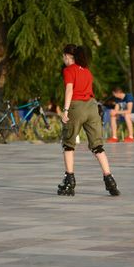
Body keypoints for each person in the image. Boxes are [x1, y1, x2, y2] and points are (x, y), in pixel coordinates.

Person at [57, 44, 120, 196]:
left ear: (67, 56)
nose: (63, 59)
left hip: (76, 107)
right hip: (92, 107)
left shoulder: (69, 70)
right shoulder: (86, 70)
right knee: (97, 146)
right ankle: (110, 180)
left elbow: (69, 90)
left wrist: (65, 110)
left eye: (63, 56)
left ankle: (69, 182)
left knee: (68, 145)